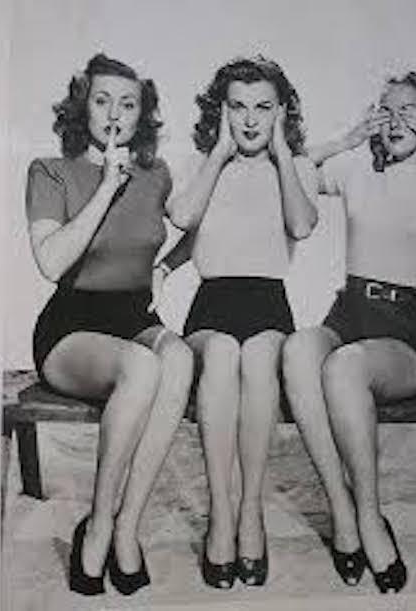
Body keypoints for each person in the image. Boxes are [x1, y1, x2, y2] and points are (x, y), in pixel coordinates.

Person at [282, 71, 416, 594]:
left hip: (403, 334)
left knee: (344, 367)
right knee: (299, 348)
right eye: (386, 110)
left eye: (409, 112)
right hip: (346, 315)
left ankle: (369, 517)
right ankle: (342, 511)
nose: (396, 121)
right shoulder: (356, 170)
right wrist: (347, 139)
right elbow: (289, 168)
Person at [26, 54, 194, 596]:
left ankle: (127, 525)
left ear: (142, 114)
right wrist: (105, 186)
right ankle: (97, 525)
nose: (115, 114)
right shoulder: (50, 170)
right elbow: (51, 262)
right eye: (102, 101)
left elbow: (199, 224)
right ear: (83, 107)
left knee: (179, 358)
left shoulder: (157, 174)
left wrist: (165, 268)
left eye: (128, 103)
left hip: (135, 317)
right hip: (71, 326)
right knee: (143, 366)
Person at [164, 56, 318, 588]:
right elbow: (183, 218)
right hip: (212, 305)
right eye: (238, 107)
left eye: (263, 108)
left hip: (269, 304)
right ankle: (221, 512)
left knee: (255, 355)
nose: (250, 119)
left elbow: (302, 224)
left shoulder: (297, 167)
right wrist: (219, 154)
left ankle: (250, 510)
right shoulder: (198, 163)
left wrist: (282, 152)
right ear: (221, 111)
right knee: (224, 351)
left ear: (281, 112)